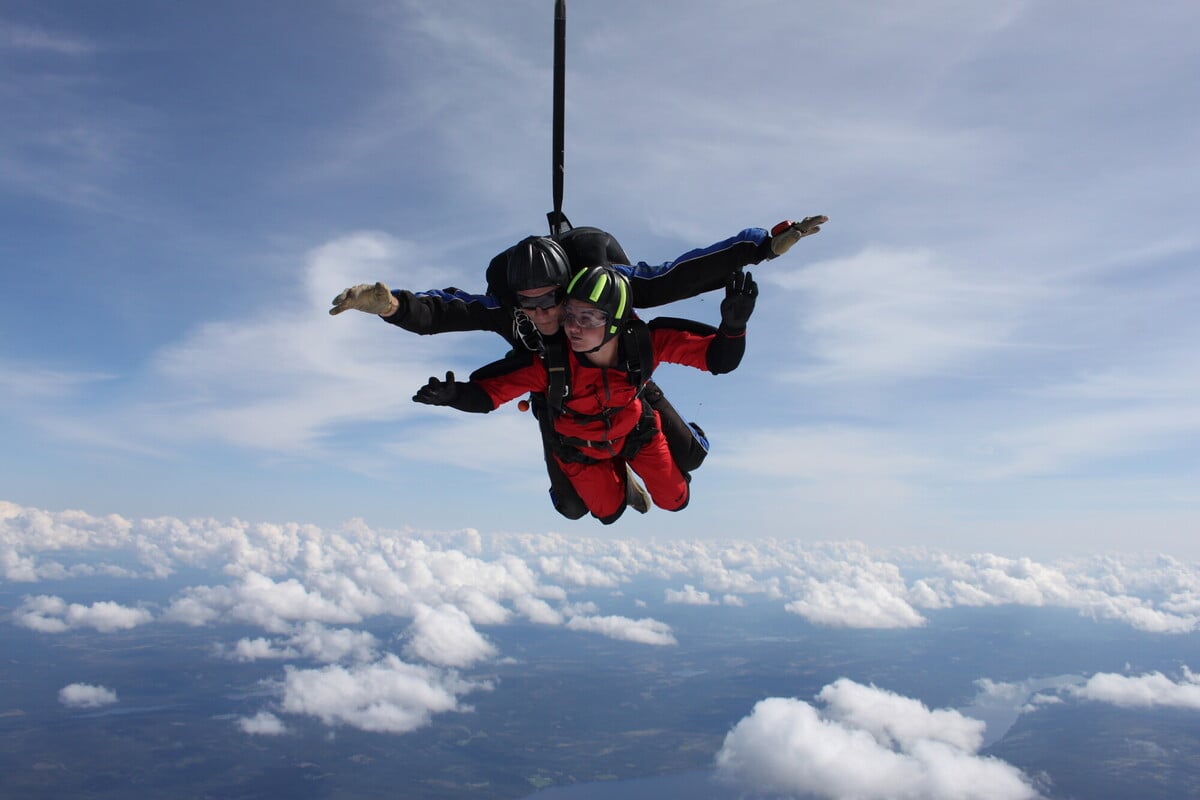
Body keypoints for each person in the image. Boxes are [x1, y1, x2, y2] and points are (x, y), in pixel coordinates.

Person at [329, 216, 825, 517]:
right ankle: (612, 473)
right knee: (576, 507)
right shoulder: (513, 311)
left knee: (687, 463)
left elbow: (679, 275)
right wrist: (392, 306)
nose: (543, 313)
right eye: (528, 304)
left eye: (552, 300)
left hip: (626, 389)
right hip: (559, 400)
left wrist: (762, 246)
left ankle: (646, 444)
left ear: (569, 288)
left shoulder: (605, 292)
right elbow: (447, 311)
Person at [410, 265, 758, 524]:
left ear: (616, 321)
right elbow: (490, 394)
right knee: (605, 512)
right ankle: (614, 478)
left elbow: (719, 360)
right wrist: (454, 395)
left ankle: (687, 440)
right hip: (579, 446)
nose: (574, 327)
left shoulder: (644, 344)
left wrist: (734, 327)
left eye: (588, 318)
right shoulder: (551, 364)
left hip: (635, 431)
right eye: (571, 315)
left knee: (676, 499)